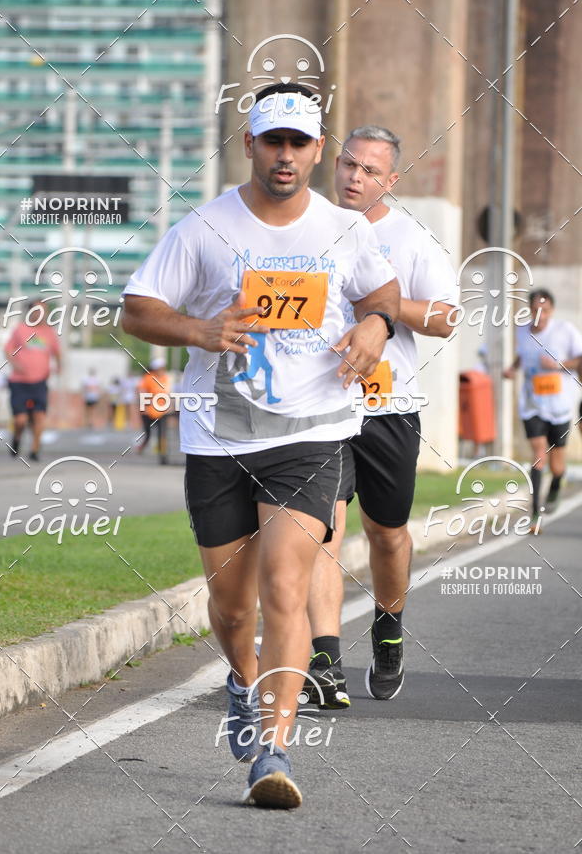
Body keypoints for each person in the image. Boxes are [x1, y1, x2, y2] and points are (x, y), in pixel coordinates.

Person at [122, 84, 399, 808]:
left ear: (317, 150)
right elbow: (137, 309)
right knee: (232, 608)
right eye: (273, 140)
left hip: (311, 432)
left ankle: (274, 750)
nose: (285, 155)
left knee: (285, 586)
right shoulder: (204, 228)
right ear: (249, 143)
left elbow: (383, 294)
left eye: (298, 143)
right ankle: (243, 680)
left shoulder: (344, 228)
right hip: (220, 433)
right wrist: (200, 330)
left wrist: (377, 326)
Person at [306, 125, 458, 707]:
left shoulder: (411, 239)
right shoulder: (307, 227)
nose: (355, 177)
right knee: (322, 528)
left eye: (370, 170)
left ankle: (388, 627)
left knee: (386, 534)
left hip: (387, 406)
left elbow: (445, 318)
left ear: (391, 180)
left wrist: (383, 305)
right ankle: (324, 658)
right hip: (319, 402)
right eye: (348, 164)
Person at [503, 289, 582, 527]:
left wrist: (557, 365)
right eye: (536, 310)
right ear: (529, 310)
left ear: (552, 311)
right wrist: (513, 368)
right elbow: (522, 355)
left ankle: (556, 483)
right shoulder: (522, 331)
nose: (541, 315)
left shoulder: (564, 331)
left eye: (545, 311)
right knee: (538, 454)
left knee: (557, 466)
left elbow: (580, 359)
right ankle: (535, 512)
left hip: (559, 405)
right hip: (532, 403)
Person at [4, 299, 60, 461]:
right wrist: (15, 364)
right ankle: (16, 439)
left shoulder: (49, 332)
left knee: (39, 416)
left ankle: (35, 449)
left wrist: (59, 366)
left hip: (40, 382)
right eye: (37, 310)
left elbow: (57, 352)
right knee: (20, 420)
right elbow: (8, 350)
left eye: (44, 311)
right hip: (19, 381)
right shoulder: (20, 329)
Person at [137, 357, 171, 465]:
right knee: (148, 435)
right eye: (160, 368)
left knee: (162, 435)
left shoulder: (165, 378)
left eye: (163, 367)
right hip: (148, 412)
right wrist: (145, 407)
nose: (162, 369)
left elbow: (167, 393)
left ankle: (163, 457)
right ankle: (141, 448)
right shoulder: (148, 378)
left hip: (161, 412)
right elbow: (141, 392)